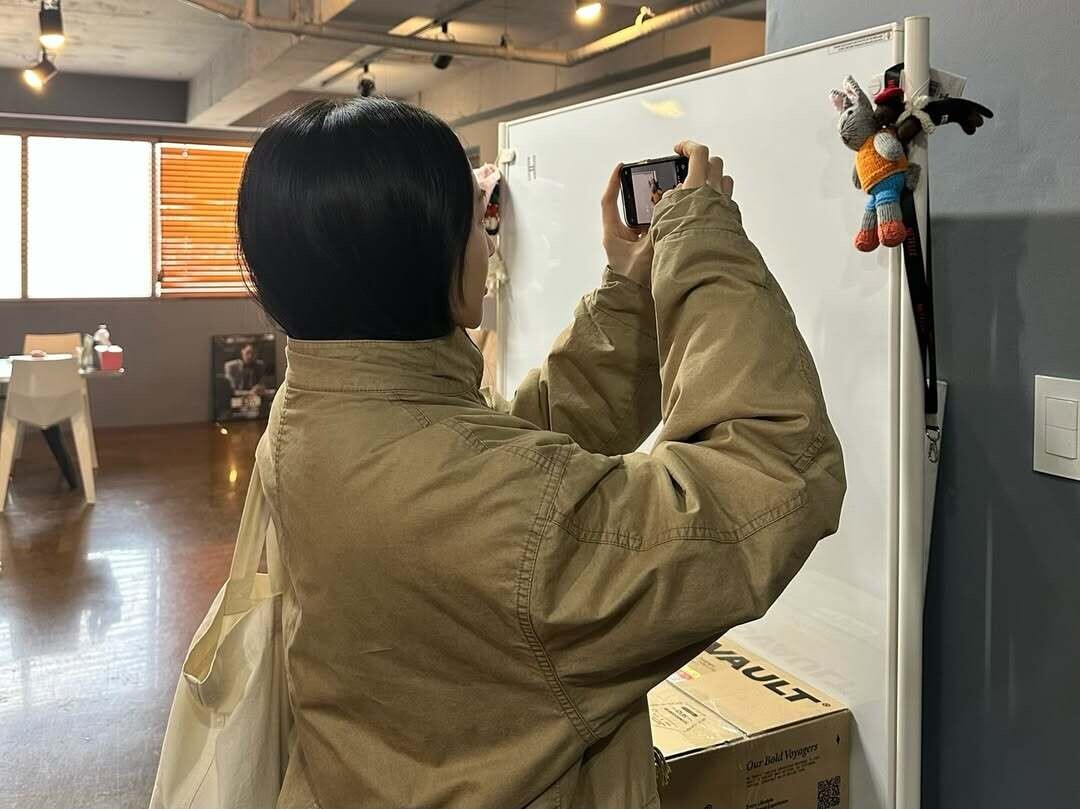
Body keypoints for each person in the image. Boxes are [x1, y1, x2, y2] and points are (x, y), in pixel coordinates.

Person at [236, 97, 846, 809]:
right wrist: (704, 243)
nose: (489, 246)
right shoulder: (490, 505)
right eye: (477, 223)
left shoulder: (315, 411)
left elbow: (504, 459)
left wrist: (630, 294)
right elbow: (772, 471)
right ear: (424, 260)